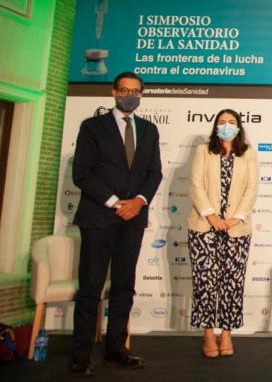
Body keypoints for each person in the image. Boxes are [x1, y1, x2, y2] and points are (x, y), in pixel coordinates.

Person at [70, 72, 162, 375]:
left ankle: (116, 349)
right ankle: (81, 355)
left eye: (136, 91)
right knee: (91, 288)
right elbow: (82, 174)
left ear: (141, 95)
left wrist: (138, 201)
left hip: (133, 220)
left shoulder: (149, 130)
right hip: (98, 218)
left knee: (124, 286)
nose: (130, 95)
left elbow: (154, 173)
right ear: (113, 92)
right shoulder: (92, 127)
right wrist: (114, 202)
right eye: (125, 90)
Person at [187, 109, 258, 358]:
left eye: (231, 122)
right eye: (221, 122)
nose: (226, 126)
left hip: (236, 229)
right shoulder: (203, 151)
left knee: (232, 282)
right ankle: (208, 333)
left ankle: (226, 333)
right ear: (215, 126)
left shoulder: (247, 153)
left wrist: (234, 218)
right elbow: (195, 184)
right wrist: (211, 215)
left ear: (239, 126)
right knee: (205, 281)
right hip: (204, 227)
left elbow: (252, 188)